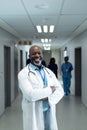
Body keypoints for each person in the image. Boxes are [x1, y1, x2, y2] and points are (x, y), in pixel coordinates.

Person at [18, 45, 64, 130]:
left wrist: (44, 97)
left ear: (42, 55)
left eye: (39, 53)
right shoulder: (23, 73)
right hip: (33, 112)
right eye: (34, 53)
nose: (37, 55)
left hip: (49, 109)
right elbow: (30, 95)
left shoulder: (49, 72)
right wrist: (50, 89)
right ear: (29, 56)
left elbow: (60, 91)